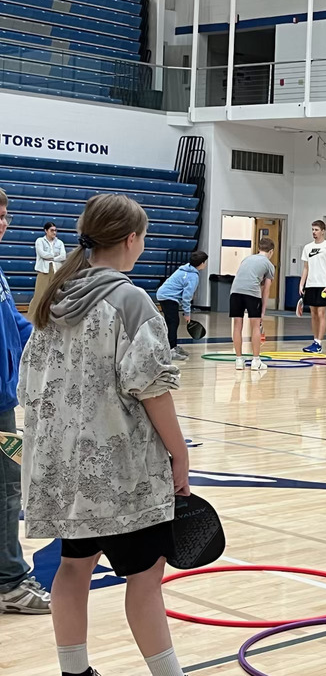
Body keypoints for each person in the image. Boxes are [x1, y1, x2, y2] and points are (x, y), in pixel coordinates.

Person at [19, 193, 190, 676]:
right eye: (144, 239)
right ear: (132, 239)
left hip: (65, 469)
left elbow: (27, 383)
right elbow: (153, 388)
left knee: (74, 568)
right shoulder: (130, 300)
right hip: (123, 472)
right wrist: (179, 455)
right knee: (145, 576)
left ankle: (74, 672)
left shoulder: (54, 296)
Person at [0, 188, 50, 615]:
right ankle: (10, 584)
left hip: (3, 404)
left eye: (4, 216)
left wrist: (49, 333)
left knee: (8, 484)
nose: (1, 222)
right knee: (6, 490)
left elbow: (15, 324)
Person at [229, 238, 276, 372]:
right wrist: (262, 311)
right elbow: (266, 290)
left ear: (258, 249)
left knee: (237, 325)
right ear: (271, 251)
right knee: (255, 326)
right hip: (251, 294)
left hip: (235, 292)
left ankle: (238, 360)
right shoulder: (269, 264)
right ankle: (256, 361)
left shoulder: (247, 259)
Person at [155, 251, 208, 361]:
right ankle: (170, 351)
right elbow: (187, 297)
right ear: (202, 263)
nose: (205, 264)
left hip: (163, 295)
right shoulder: (193, 276)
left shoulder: (184, 268)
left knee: (172, 322)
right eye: (205, 262)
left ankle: (172, 347)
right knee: (173, 323)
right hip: (168, 297)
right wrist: (187, 313)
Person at [298, 220, 326, 353]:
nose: (314, 232)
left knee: (321, 313)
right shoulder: (307, 247)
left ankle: (319, 343)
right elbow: (305, 268)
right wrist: (302, 283)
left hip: (322, 285)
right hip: (311, 284)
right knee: (313, 313)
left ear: (323, 231)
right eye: (312, 229)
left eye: (316, 229)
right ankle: (315, 341)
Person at [28, 221, 66, 321]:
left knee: (55, 295)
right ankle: (31, 319)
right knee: (39, 295)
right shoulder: (39, 241)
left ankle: (52, 319)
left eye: (55, 230)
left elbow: (63, 256)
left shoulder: (60, 243)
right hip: (44, 271)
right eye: (52, 230)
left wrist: (52, 258)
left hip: (56, 270)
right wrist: (56, 257)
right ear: (46, 231)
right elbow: (42, 254)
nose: (54, 232)